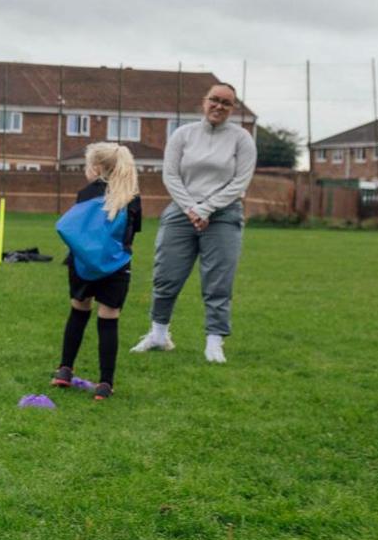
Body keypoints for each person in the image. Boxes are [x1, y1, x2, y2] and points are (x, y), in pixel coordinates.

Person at [131, 83, 255, 363]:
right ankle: (158, 335)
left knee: (218, 281)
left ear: (232, 108)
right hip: (182, 212)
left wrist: (207, 208)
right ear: (204, 101)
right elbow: (171, 175)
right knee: (166, 275)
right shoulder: (183, 134)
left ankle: (214, 341)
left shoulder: (242, 139)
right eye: (215, 100)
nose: (219, 107)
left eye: (226, 103)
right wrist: (191, 209)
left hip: (224, 215)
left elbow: (240, 181)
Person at [51, 142, 143, 400]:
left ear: (97, 168)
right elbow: (131, 235)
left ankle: (64, 370)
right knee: (109, 318)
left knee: (79, 311)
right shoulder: (131, 197)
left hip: (81, 263)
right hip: (116, 267)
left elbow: (76, 229)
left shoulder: (86, 194)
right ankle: (105, 383)